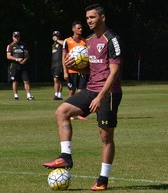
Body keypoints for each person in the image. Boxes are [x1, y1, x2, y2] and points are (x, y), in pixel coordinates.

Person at [43, 3, 123, 191]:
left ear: (102, 18)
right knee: (62, 111)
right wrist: (77, 65)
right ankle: (66, 156)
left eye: (93, 17)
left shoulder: (112, 40)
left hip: (108, 93)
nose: (89, 21)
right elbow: (91, 68)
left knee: (105, 137)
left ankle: (103, 180)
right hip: (90, 89)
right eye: (87, 18)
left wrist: (99, 97)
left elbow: (114, 73)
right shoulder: (89, 40)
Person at [62, 21, 89, 120]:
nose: (81, 29)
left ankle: (78, 114)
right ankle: (68, 112)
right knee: (72, 91)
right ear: (73, 29)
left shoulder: (85, 41)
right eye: (78, 28)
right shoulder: (67, 41)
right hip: (71, 71)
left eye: (81, 28)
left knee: (81, 92)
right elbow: (63, 57)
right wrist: (65, 71)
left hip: (82, 71)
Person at [6, 31, 34, 101]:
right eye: (15, 37)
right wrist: (16, 59)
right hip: (14, 65)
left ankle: (28, 95)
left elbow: (27, 54)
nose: (16, 38)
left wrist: (24, 60)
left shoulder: (23, 45)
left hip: (23, 65)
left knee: (26, 80)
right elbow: (8, 56)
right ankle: (16, 95)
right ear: (13, 37)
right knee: (15, 80)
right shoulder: (10, 46)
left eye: (17, 36)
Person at [51, 31, 64, 100]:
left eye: (57, 35)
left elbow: (64, 43)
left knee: (56, 79)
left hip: (59, 64)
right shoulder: (53, 45)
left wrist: (57, 40)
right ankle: (59, 95)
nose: (55, 36)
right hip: (53, 65)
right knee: (57, 80)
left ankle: (57, 94)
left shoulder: (61, 43)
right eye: (54, 35)